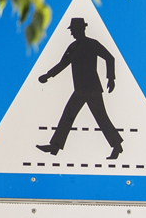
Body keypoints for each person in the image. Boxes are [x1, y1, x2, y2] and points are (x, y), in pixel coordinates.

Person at [35, 17, 123, 159]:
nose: (72, 33)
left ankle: (116, 146)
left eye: (73, 30)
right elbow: (63, 64)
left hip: (92, 89)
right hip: (80, 89)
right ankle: (55, 147)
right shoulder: (73, 47)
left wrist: (111, 79)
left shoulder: (92, 44)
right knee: (68, 115)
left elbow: (109, 58)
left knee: (101, 118)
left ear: (80, 29)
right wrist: (48, 75)